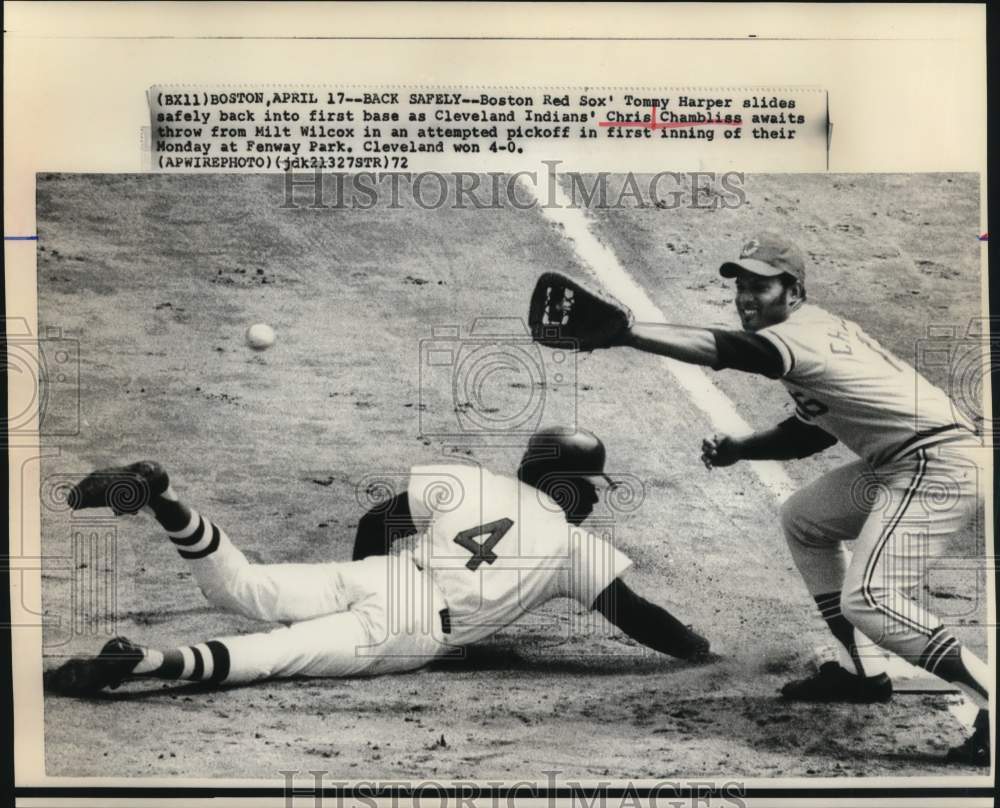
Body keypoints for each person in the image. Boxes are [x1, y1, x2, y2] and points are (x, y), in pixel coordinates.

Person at [604, 231, 989, 766]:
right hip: (909, 458)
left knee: (870, 598)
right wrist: (741, 448)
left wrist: (629, 333)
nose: (745, 297)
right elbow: (812, 433)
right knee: (805, 519)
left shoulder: (797, 337)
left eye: (760, 287)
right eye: (740, 285)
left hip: (934, 464)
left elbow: (724, 350)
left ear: (794, 290)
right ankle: (863, 673)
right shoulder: (813, 327)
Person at [44, 428, 709, 696]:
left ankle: (163, 498)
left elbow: (377, 522)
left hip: (377, 575)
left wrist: (360, 587)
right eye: (592, 485)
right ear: (567, 485)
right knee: (278, 654)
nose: (595, 496)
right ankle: (144, 665)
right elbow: (640, 617)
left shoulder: (473, 481)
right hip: (412, 626)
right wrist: (702, 653)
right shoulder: (574, 548)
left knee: (242, 586)